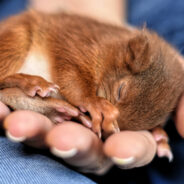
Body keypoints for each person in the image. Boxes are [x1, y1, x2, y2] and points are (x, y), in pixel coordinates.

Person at [0, 0, 184, 183]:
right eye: (120, 91)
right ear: (131, 56)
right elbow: (67, 65)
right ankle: (10, 83)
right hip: (32, 42)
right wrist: (88, 99)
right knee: (19, 31)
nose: (108, 119)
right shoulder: (100, 50)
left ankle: (27, 98)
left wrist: (152, 126)